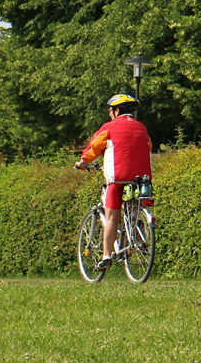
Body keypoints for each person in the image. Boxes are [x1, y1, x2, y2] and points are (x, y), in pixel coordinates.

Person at [75, 94, 152, 271]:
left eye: (111, 111)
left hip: (117, 178)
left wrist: (82, 163)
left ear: (116, 111)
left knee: (111, 217)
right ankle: (138, 232)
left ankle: (106, 256)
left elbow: (93, 149)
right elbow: (148, 147)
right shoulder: (142, 128)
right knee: (132, 206)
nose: (110, 114)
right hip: (142, 179)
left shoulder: (109, 128)